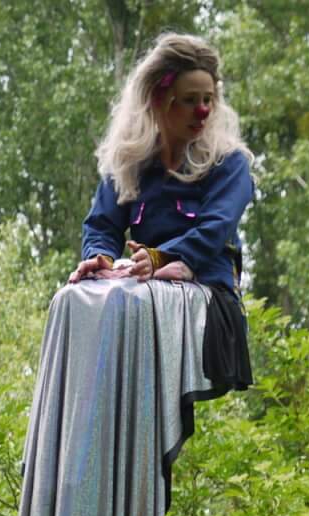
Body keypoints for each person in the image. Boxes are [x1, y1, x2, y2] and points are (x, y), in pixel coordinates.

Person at [68, 32, 255, 399]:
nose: (203, 111)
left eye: (208, 100)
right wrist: (100, 259)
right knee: (71, 299)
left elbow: (214, 230)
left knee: (138, 301)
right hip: (143, 288)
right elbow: (102, 225)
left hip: (205, 297)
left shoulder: (229, 164)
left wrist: (160, 258)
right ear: (158, 100)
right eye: (189, 101)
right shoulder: (129, 163)